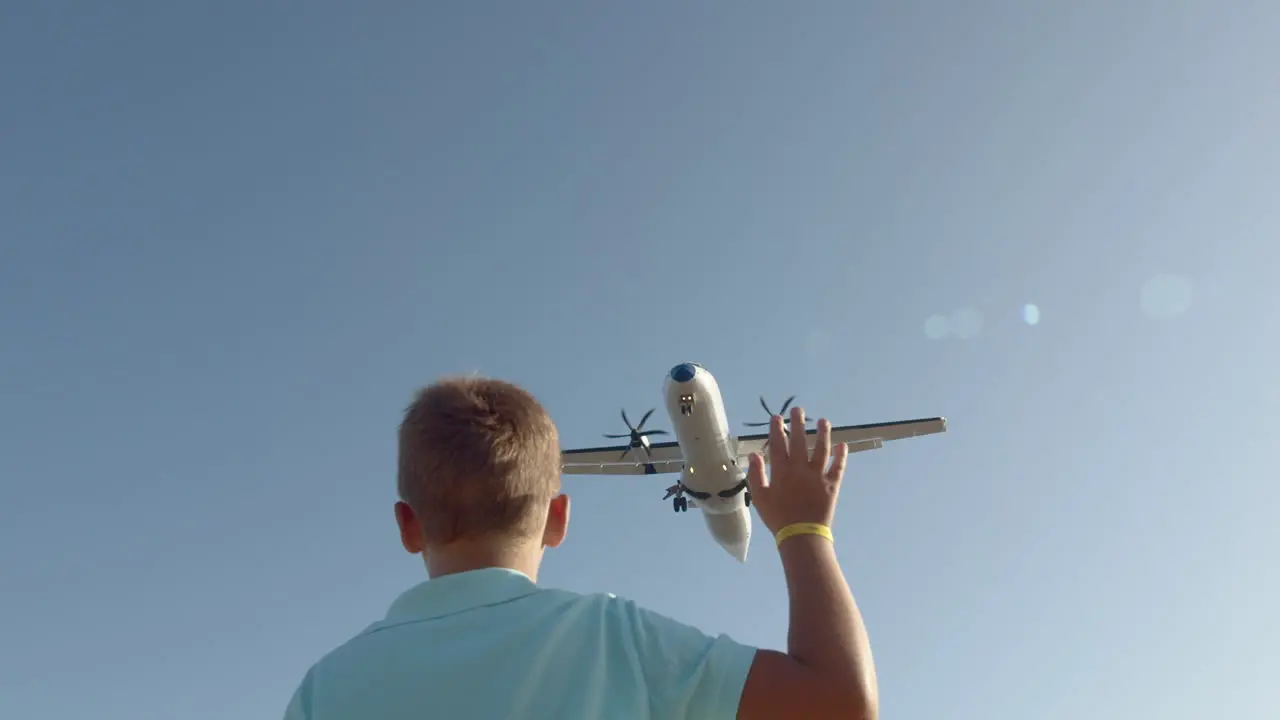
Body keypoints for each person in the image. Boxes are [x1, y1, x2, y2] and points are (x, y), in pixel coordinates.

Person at [282, 375, 879, 719]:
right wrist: (805, 529)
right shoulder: (614, 637)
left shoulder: (322, 689)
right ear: (558, 518)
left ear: (407, 526)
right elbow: (840, 704)